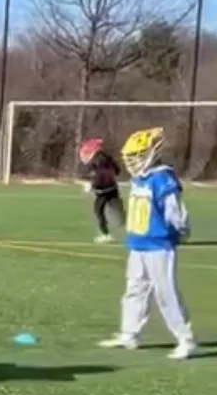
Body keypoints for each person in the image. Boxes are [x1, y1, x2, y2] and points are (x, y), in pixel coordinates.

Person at [98, 127, 197, 360]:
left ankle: (185, 339)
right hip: (138, 244)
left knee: (166, 292)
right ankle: (129, 333)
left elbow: (174, 210)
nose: (133, 161)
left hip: (159, 245)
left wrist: (181, 229)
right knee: (135, 289)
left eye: (138, 155)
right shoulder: (140, 179)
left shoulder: (163, 179)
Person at [78, 138, 125, 243]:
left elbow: (99, 176)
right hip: (113, 188)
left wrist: (92, 185)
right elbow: (117, 171)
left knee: (99, 212)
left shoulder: (96, 161)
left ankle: (106, 235)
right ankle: (131, 231)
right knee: (119, 213)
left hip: (102, 192)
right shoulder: (108, 158)